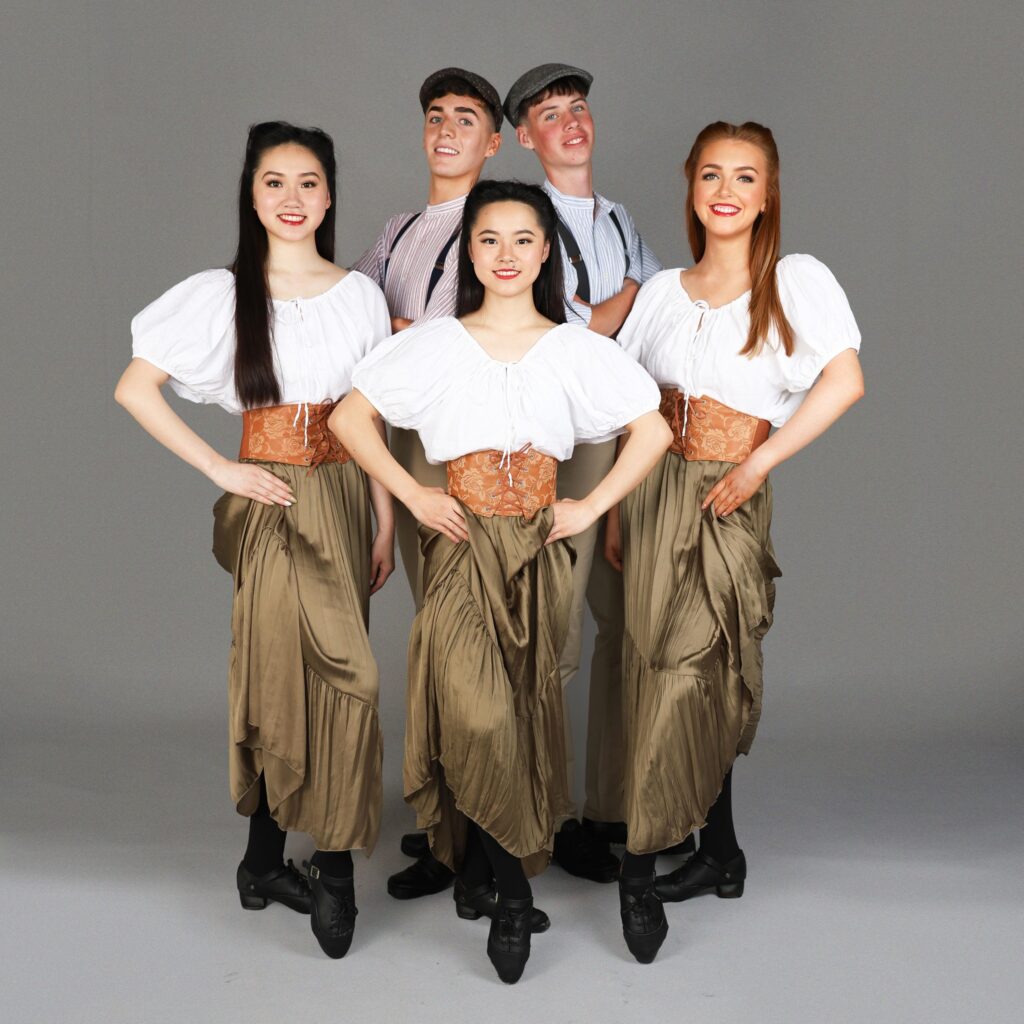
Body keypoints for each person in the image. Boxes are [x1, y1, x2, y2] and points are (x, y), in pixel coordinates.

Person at [331, 180, 671, 982]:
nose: (507, 254)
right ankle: (514, 899)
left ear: (546, 250)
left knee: (524, 709)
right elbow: (351, 417)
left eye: (524, 239)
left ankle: (485, 872)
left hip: (539, 549)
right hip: (460, 544)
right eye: (490, 240)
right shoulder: (439, 342)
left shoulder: (576, 346)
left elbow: (650, 430)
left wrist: (591, 503)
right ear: (471, 253)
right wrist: (415, 494)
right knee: (476, 715)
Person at [114, 122, 393, 960]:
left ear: (331, 194)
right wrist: (218, 469)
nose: (293, 199)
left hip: (345, 496)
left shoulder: (361, 296)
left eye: (309, 182)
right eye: (274, 182)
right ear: (251, 194)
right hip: (270, 502)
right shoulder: (220, 292)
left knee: (343, 675)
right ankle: (321, 870)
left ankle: (278, 859)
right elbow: (136, 388)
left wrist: (383, 515)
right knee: (283, 676)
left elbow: (370, 417)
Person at [609, 121, 865, 963]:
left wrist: (761, 464)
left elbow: (846, 380)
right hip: (651, 492)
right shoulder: (661, 294)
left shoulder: (792, 280)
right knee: (659, 667)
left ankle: (640, 868)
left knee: (698, 667)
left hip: (725, 491)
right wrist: (615, 509)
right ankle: (720, 852)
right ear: (690, 188)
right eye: (711, 174)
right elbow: (631, 409)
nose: (726, 190)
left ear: (767, 195)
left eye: (744, 177)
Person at [504, 63, 671, 881]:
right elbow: (561, 333)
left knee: (622, 622)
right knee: (554, 628)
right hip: (568, 443)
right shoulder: (523, 220)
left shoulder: (620, 217)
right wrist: (629, 295)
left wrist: (625, 304)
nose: (570, 122)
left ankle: (605, 805)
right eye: (549, 114)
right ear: (525, 136)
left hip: (630, 435)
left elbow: (650, 316)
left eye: (579, 108)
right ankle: (543, 813)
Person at [353, 67, 503, 902]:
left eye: (466, 118)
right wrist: (393, 329)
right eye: (435, 116)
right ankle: (449, 834)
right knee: (437, 641)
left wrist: (398, 329)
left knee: (466, 643)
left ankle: (484, 845)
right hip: (401, 449)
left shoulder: (493, 223)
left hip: (460, 453)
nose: (446, 129)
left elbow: (460, 337)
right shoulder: (402, 224)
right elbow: (354, 307)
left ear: (494, 140)